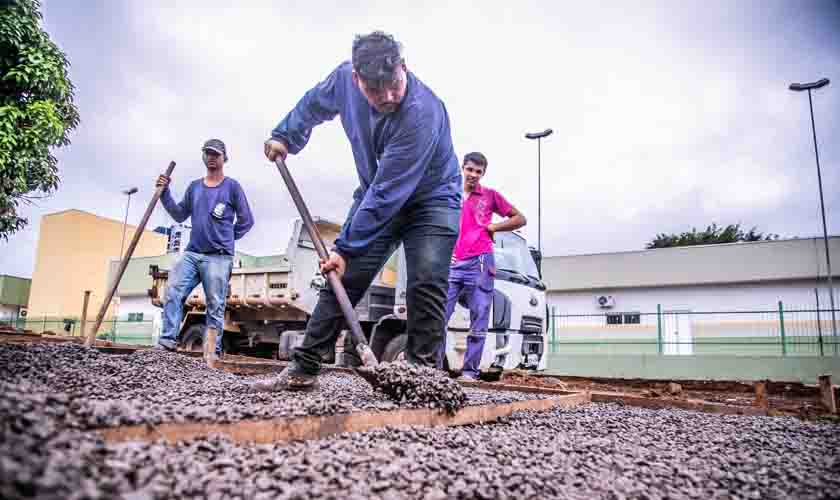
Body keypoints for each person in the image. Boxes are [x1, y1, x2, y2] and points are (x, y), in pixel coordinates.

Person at [255, 31, 461, 391]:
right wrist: (285, 135)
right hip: (378, 191)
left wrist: (345, 248)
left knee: (426, 281)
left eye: (394, 85)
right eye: (374, 91)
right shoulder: (342, 81)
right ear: (356, 80)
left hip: (431, 202)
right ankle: (303, 368)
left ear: (404, 68)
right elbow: (313, 104)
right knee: (343, 279)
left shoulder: (422, 112)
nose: (387, 97)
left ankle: (424, 382)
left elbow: (386, 193)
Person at [154, 139, 254, 358]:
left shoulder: (232, 187)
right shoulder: (195, 187)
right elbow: (180, 214)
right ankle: (168, 341)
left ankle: (212, 351)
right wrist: (164, 193)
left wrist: (227, 239)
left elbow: (247, 220)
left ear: (224, 158)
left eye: (216, 154)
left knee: (215, 304)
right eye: (208, 153)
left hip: (218, 257)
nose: (211, 157)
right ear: (203, 156)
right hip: (193, 253)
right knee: (172, 291)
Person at [439, 152, 526, 380]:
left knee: (479, 318)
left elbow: (520, 218)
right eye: (470, 169)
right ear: (462, 168)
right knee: (438, 317)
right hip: (451, 264)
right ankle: (434, 371)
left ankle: (469, 372)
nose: (473, 175)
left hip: (480, 262)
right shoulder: (448, 192)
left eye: (478, 172)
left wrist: (494, 227)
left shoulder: (490, 196)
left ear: (483, 174)